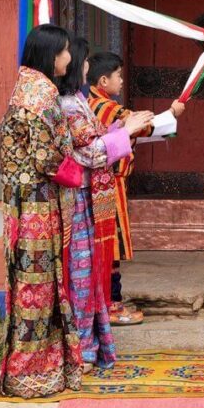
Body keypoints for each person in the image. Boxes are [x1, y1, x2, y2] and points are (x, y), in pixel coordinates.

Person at [0, 24, 83, 398]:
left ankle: (29, 367)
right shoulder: (42, 94)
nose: (68, 58)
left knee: (28, 284)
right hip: (38, 205)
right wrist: (79, 166)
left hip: (22, 202)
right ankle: (34, 370)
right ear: (51, 55)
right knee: (40, 286)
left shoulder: (25, 87)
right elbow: (47, 158)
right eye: (64, 51)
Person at [57, 38, 154, 371]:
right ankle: (81, 348)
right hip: (80, 196)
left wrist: (120, 130)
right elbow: (90, 152)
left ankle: (87, 345)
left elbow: (95, 138)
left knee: (87, 272)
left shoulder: (79, 102)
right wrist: (125, 131)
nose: (80, 62)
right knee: (83, 272)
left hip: (88, 196)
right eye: (76, 58)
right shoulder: (70, 105)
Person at [86, 51, 186, 326]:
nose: (121, 80)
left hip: (107, 185)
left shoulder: (96, 105)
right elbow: (143, 127)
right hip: (107, 186)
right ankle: (110, 304)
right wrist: (172, 113)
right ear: (103, 80)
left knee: (109, 246)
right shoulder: (106, 108)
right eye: (118, 75)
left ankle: (109, 301)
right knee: (111, 246)